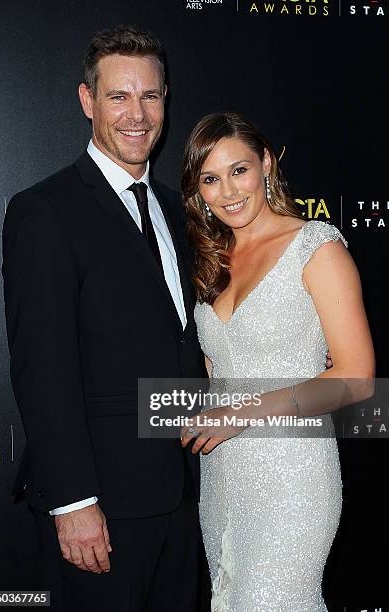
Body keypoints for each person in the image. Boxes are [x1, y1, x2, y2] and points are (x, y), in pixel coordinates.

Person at [2, 26, 207, 612]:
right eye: (119, 97)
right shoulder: (45, 211)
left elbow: (184, 340)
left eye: (152, 96)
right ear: (88, 101)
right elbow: (43, 368)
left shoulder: (177, 209)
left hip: (183, 498)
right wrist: (73, 503)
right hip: (102, 512)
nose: (138, 115)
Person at [180, 112, 375, 611]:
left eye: (239, 170)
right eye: (210, 178)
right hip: (224, 476)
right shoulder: (210, 263)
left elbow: (355, 378)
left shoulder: (317, 248)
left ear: (266, 163)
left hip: (292, 477)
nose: (228, 191)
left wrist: (239, 413)